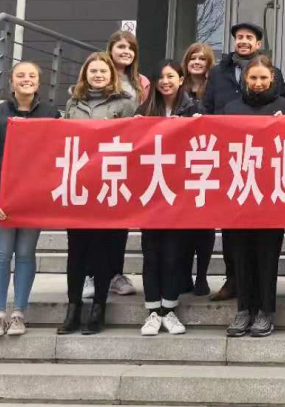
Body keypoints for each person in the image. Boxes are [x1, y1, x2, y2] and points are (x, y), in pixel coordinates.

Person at [0, 61, 59, 337]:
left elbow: (59, 156)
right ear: (11, 81)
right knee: (1, 254)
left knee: (25, 254)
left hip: (33, 199)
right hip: (2, 199)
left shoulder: (51, 114)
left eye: (32, 75)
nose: (26, 79)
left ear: (39, 82)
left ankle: (19, 313)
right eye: (20, 75)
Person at [59, 52, 138, 336]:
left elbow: (134, 139)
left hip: (109, 183)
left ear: (111, 75)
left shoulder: (125, 102)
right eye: (93, 71)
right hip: (80, 184)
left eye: (103, 71)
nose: (98, 75)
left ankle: (98, 309)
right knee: (76, 250)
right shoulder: (73, 103)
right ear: (85, 74)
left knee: (102, 250)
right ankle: (73, 308)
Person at [202, 21, 282, 302]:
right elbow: (208, 108)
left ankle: (260, 294)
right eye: (239, 37)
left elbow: (283, 110)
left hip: (266, 168)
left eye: (249, 37)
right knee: (232, 229)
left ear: (258, 44)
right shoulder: (218, 73)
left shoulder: (275, 77)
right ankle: (233, 280)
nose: (243, 41)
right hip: (231, 160)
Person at [223, 56, 285, 337]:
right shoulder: (230, 109)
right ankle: (244, 309)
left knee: (267, 256)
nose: (258, 83)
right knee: (241, 255)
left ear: (272, 80)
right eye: (253, 78)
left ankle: (266, 310)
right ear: (245, 80)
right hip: (240, 192)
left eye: (263, 78)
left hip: (271, 194)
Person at [135, 60, 200, 337]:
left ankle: (169, 310)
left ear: (181, 79)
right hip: (151, 191)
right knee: (151, 254)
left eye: (171, 76)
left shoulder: (194, 109)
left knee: (174, 254)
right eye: (160, 77)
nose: (165, 81)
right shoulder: (144, 110)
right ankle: (152, 311)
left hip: (181, 192)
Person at [98, 30, 148, 301]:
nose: (125, 52)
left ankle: (115, 274)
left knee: (119, 220)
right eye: (120, 47)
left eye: (130, 48)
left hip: (130, 157)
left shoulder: (141, 83)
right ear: (110, 49)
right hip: (100, 157)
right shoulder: (99, 76)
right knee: (97, 220)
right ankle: (93, 274)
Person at [178, 42, 217, 297]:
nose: (197, 62)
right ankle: (183, 275)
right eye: (193, 57)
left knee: (205, 223)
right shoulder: (176, 86)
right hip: (179, 163)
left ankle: (202, 276)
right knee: (183, 223)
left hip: (207, 159)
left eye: (202, 58)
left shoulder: (213, 88)